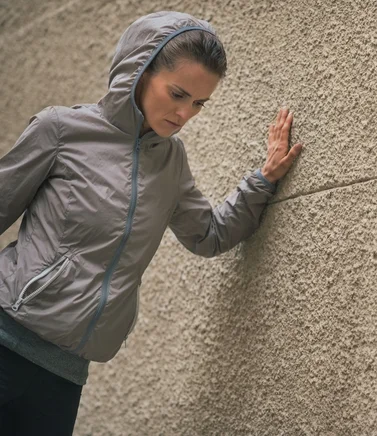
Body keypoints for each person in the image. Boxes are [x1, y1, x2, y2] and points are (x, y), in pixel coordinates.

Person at [0, 10, 302, 435]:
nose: (185, 114)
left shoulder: (172, 162)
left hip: (65, 373)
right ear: (139, 72)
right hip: (6, 338)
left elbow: (208, 235)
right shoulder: (62, 130)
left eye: (199, 103)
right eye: (177, 93)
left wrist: (263, 179)